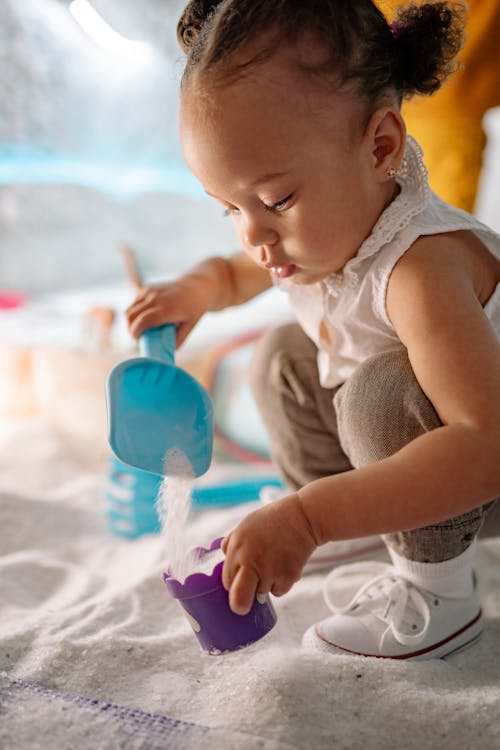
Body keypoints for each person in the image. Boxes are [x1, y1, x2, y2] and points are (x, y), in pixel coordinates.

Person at [126, 0, 500, 660]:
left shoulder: (421, 268)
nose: (254, 235)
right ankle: (364, 524)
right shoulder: (325, 228)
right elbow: (243, 271)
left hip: (478, 478)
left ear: (380, 147)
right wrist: (198, 290)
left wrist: (307, 517)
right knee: (282, 358)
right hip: (422, 466)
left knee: (377, 394)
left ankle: (438, 589)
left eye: (274, 201)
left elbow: (485, 444)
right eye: (228, 209)